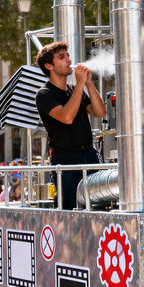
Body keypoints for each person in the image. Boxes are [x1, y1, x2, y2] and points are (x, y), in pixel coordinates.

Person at [35, 41, 106, 209]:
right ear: (49, 66)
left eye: (68, 55)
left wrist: (88, 83)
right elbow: (67, 117)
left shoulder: (75, 89)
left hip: (89, 154)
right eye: (61, 57)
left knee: (98, 204)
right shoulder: (44, 94)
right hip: (66, 158)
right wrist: (80, 84)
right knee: (71, 206)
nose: (69, 60)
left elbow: (100, 112)